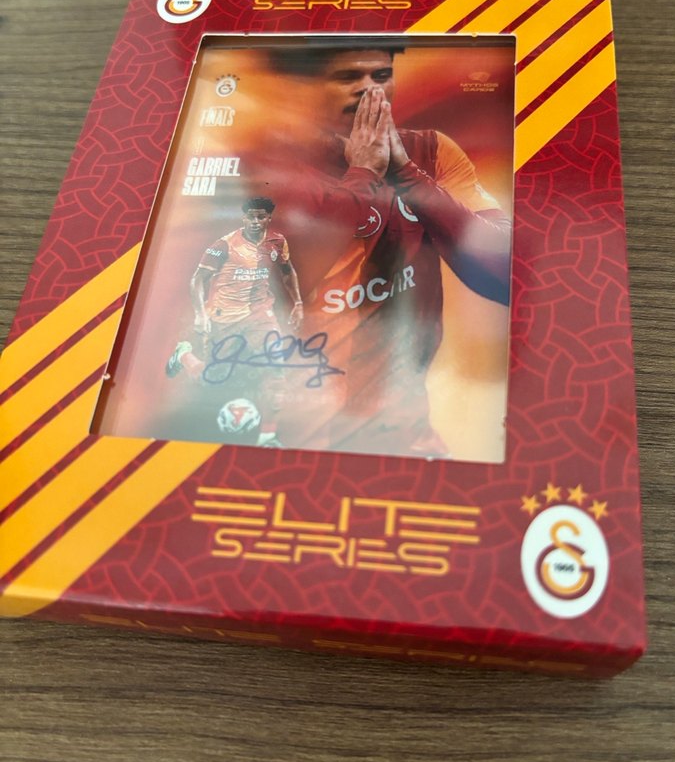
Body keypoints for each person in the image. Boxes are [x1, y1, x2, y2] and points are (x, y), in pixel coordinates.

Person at [244, 46, 513, 457]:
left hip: (407, 436)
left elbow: (503, 272)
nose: (369, 90)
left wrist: (407, 175)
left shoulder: (430, 153)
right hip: (304, 442)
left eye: (381, 75)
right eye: (348, 77)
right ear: (307, 88)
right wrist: (364, 174)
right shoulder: (269, 172)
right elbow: (282, 290)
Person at [166, 196, 303, 448]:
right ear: (244, 218)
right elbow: (197, 279)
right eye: (251, 217)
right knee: (212, 378)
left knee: (277, 368)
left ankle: (267, 436)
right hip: (224, 317)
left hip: (260, 314)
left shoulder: (277, 241)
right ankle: (183, 354)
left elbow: (287, 272)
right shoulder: (224, 245)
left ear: (268, 218)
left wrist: (298, 302)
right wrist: (200, 314)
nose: (255, 221)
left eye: (260, 217)